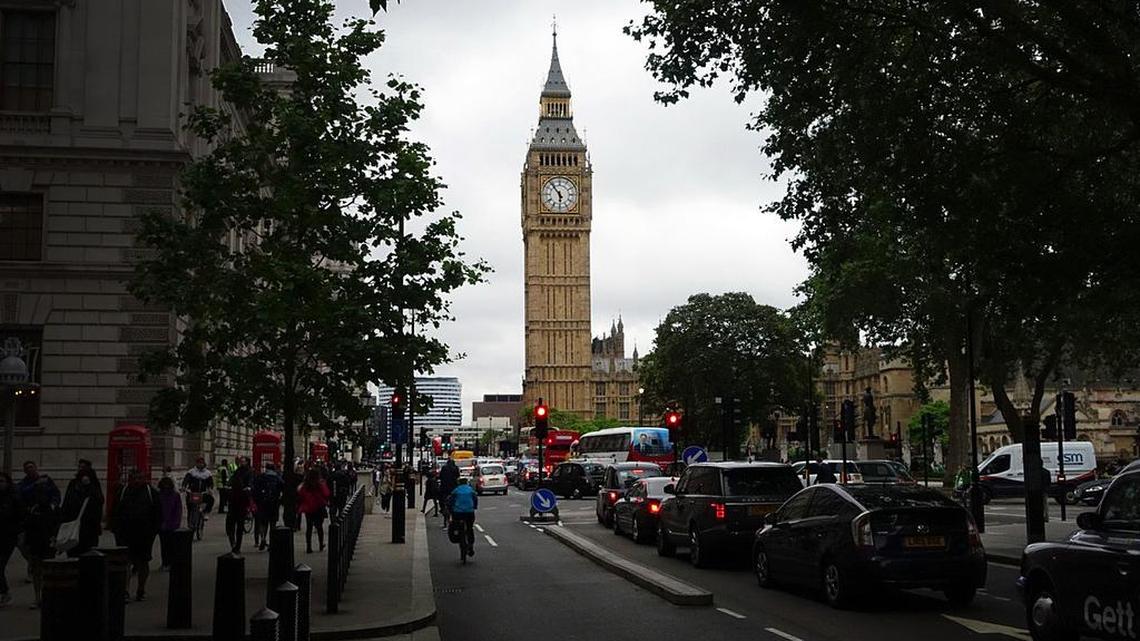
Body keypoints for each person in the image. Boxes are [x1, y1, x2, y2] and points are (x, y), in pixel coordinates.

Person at [112, 470, 160, 601]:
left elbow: (158, 514)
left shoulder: (152, 493)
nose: (137, 481)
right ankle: (125, 591)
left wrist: (154, 531)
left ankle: (141, 589)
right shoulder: (122, 492)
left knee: (143, 563)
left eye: (140, 478)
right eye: (134, 478)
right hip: (125, 534)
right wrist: (115, 530)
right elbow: (115, 512)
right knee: (125, 562)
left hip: (144, 535)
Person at [22, 475, 58, 608]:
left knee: (43, 571)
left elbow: (55, 525)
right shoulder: (35, 508)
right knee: (39, 571)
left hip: (46, 542)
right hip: (39, 542)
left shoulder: (49, 508)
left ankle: (43, 597)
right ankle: (39, 597)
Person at [59, 465, 103, 557]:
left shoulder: (94, 489)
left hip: (89, 528)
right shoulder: (73, 487)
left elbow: (99, 504)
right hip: (75, 527)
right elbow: (66, 506)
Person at [0, 472, 24, 607]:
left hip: (9, 537)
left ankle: (4, 592)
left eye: (2, 481)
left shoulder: (14, 498)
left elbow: (20, 516)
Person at [251, 463, 284, 551]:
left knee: (263, 523)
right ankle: (272, 542)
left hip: (263, 503)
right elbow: (283, 487)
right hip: (274, 503)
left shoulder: (261, 477)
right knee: (273, 523)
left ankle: (262, 538)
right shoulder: (277, 477)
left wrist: (256, 500)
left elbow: (255, 489)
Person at [297, 468, 330, 554]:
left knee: (309, 527)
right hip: (318, 507)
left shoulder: (305, 485)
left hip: (308, 508)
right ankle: (320, 544)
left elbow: (300, 494)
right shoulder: (319, 484)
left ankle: (309, 546)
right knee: (319, 527)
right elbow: (326, 493)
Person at [226, 457, 254, 554]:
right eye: (241, 461)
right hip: (234, 499)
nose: (241, 462)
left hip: (242, 499)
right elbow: (232, 479)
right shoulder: (237, 471)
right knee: (230, 524)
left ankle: (238, 546)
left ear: (247, 462)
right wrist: (228, 484)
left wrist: (249, 487)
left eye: (243, 461)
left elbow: (251, 481)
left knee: (240, 525)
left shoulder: (249, 471)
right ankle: (233, 543)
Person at [447, 478, 478, 557]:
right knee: (469, 528)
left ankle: (458, 535)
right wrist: (474, 507)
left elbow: (451, 501)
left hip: (458, 512)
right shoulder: (471, 490)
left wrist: (450, 509)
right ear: (466, 483)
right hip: (469, 512)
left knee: (456, 526)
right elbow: (475, 499)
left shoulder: (456, 490)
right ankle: (470, 545)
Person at [157, 477, 182, 569]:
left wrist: (176, 523)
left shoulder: (175, 495)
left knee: (171, 545)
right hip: (162, 524)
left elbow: (178, 510)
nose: (166, 486)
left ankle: (170, 562)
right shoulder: (159, 495)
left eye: (167, 484)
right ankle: (165, 562)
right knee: (164, 545)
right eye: (164, 484)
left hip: (172, 524)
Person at [438, 458, 459, 528]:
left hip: (444, 488)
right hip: (453, 488)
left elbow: (440, 477)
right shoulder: (455, 468)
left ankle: (442, 510)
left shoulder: (444, 468)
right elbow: (458, 476)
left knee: (442, 501)